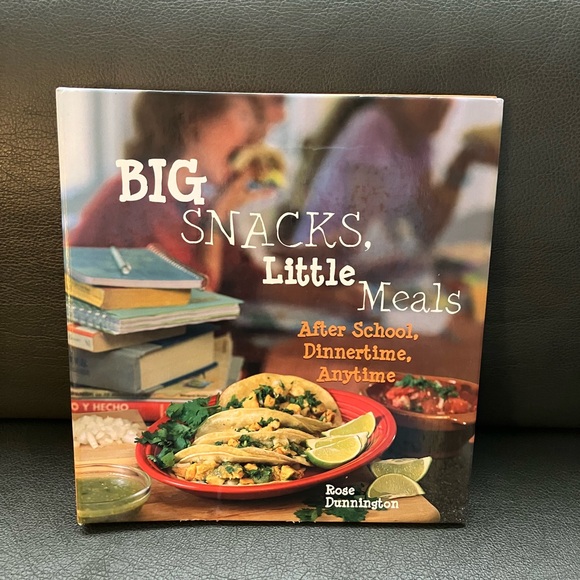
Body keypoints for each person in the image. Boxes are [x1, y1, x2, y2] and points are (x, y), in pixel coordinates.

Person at [69, 92, 275, 291]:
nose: (256, 135)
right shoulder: (139, 193)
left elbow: (244, 279)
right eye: (243, 116)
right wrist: (219, 214)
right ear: (194, 122)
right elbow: (197, 293)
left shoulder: (196, 202)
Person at [290, 97, 500, 283]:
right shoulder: (373, 128)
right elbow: (361, 238)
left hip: (352, 274)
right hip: (317, 271)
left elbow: (426, 231)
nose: (442, 104)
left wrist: (461, 163)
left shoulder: (421, 145)